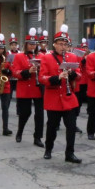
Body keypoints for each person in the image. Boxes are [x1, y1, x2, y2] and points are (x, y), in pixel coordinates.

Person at [39, 25, 81, 164]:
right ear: (54, 44)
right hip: (54, 98)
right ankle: (48, 149)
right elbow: (42, 78)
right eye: (60, 44)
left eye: (65, 44)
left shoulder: (72, 57)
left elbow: (79, 74)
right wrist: (57, 78)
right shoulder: (46, 58)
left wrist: (73, 74)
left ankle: (70, 153)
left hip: (69, 98)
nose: (63, 47)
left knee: (71, 127)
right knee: (52, 127)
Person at [12, 28, 44, 147]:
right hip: (25, 88)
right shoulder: (19, 56)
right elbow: (15, 72)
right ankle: (20, 131)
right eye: (30, 44)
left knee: (39, 114)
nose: (32, 46)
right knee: (25, 113)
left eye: (34, 44)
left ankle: (38, 137)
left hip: (38, 88)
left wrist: (40, 69)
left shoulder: (41, 56)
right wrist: (27, 71)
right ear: (26, 45)